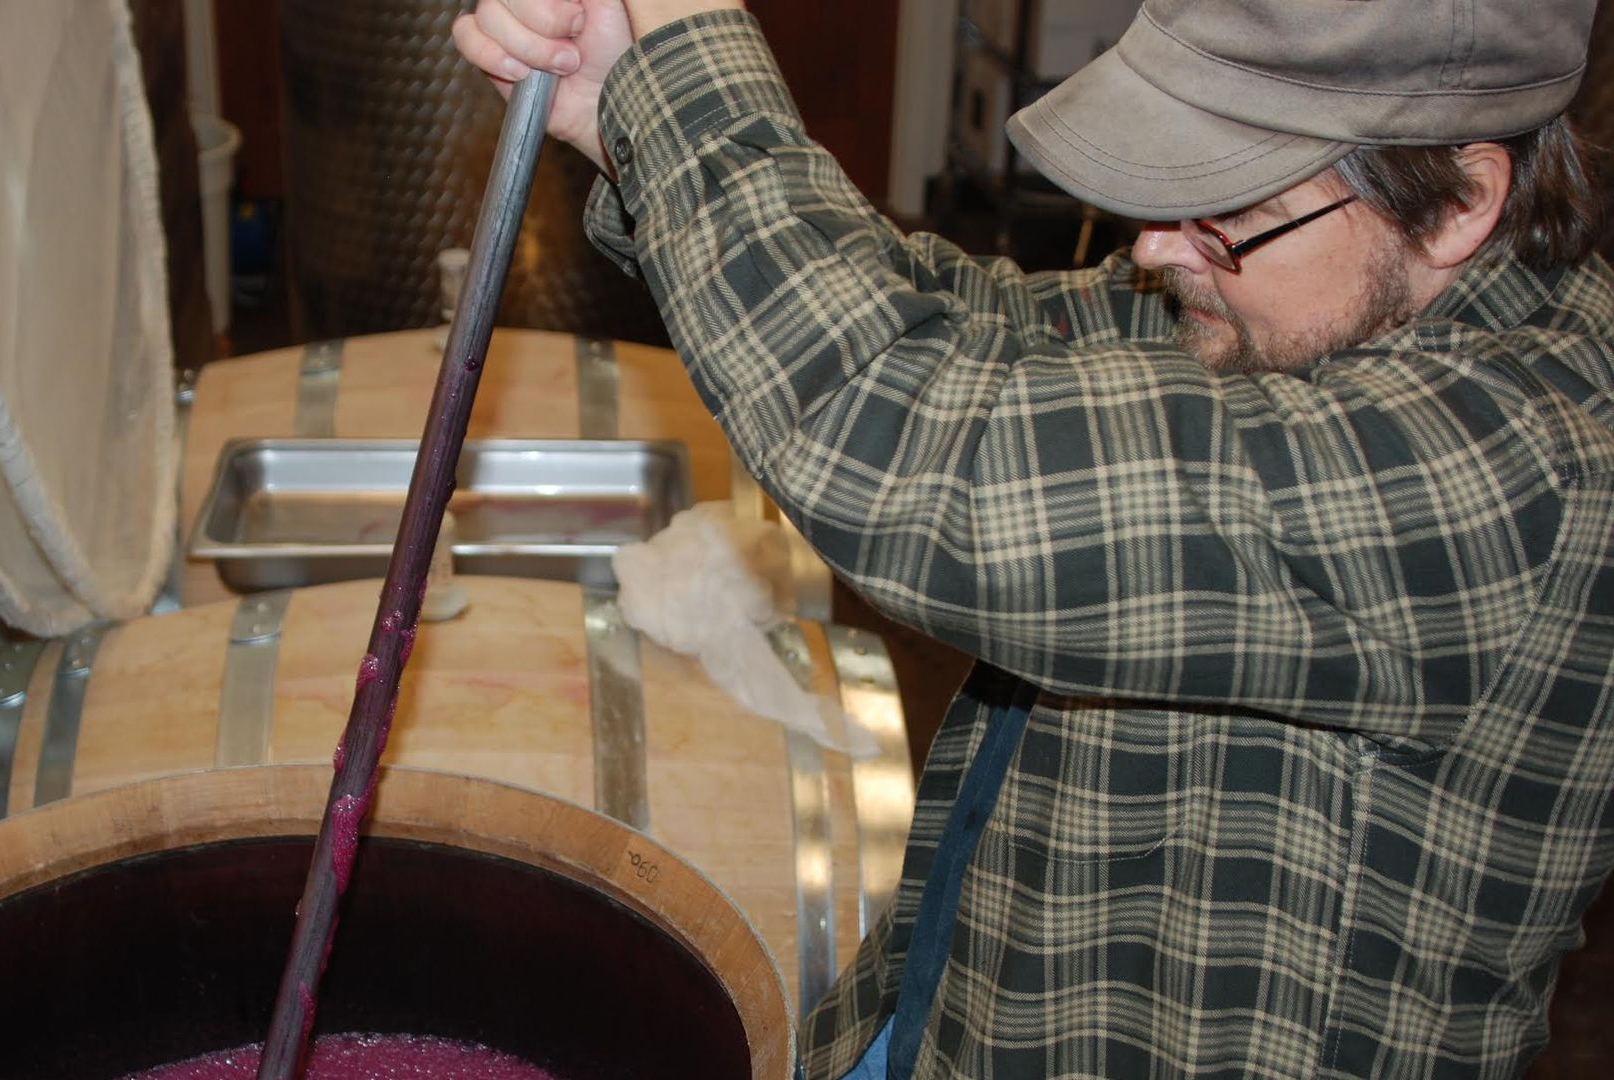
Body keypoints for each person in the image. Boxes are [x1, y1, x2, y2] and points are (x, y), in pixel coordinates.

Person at [455, 2, 1614, 1077]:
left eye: (1227, 207)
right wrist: (634, 122)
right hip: (966, 1012)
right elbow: (966, 327)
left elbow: (906, 438)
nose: (1158, 249)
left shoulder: (1525, 476)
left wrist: (693, 65)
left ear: (1461, 200)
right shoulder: (1305, 305)